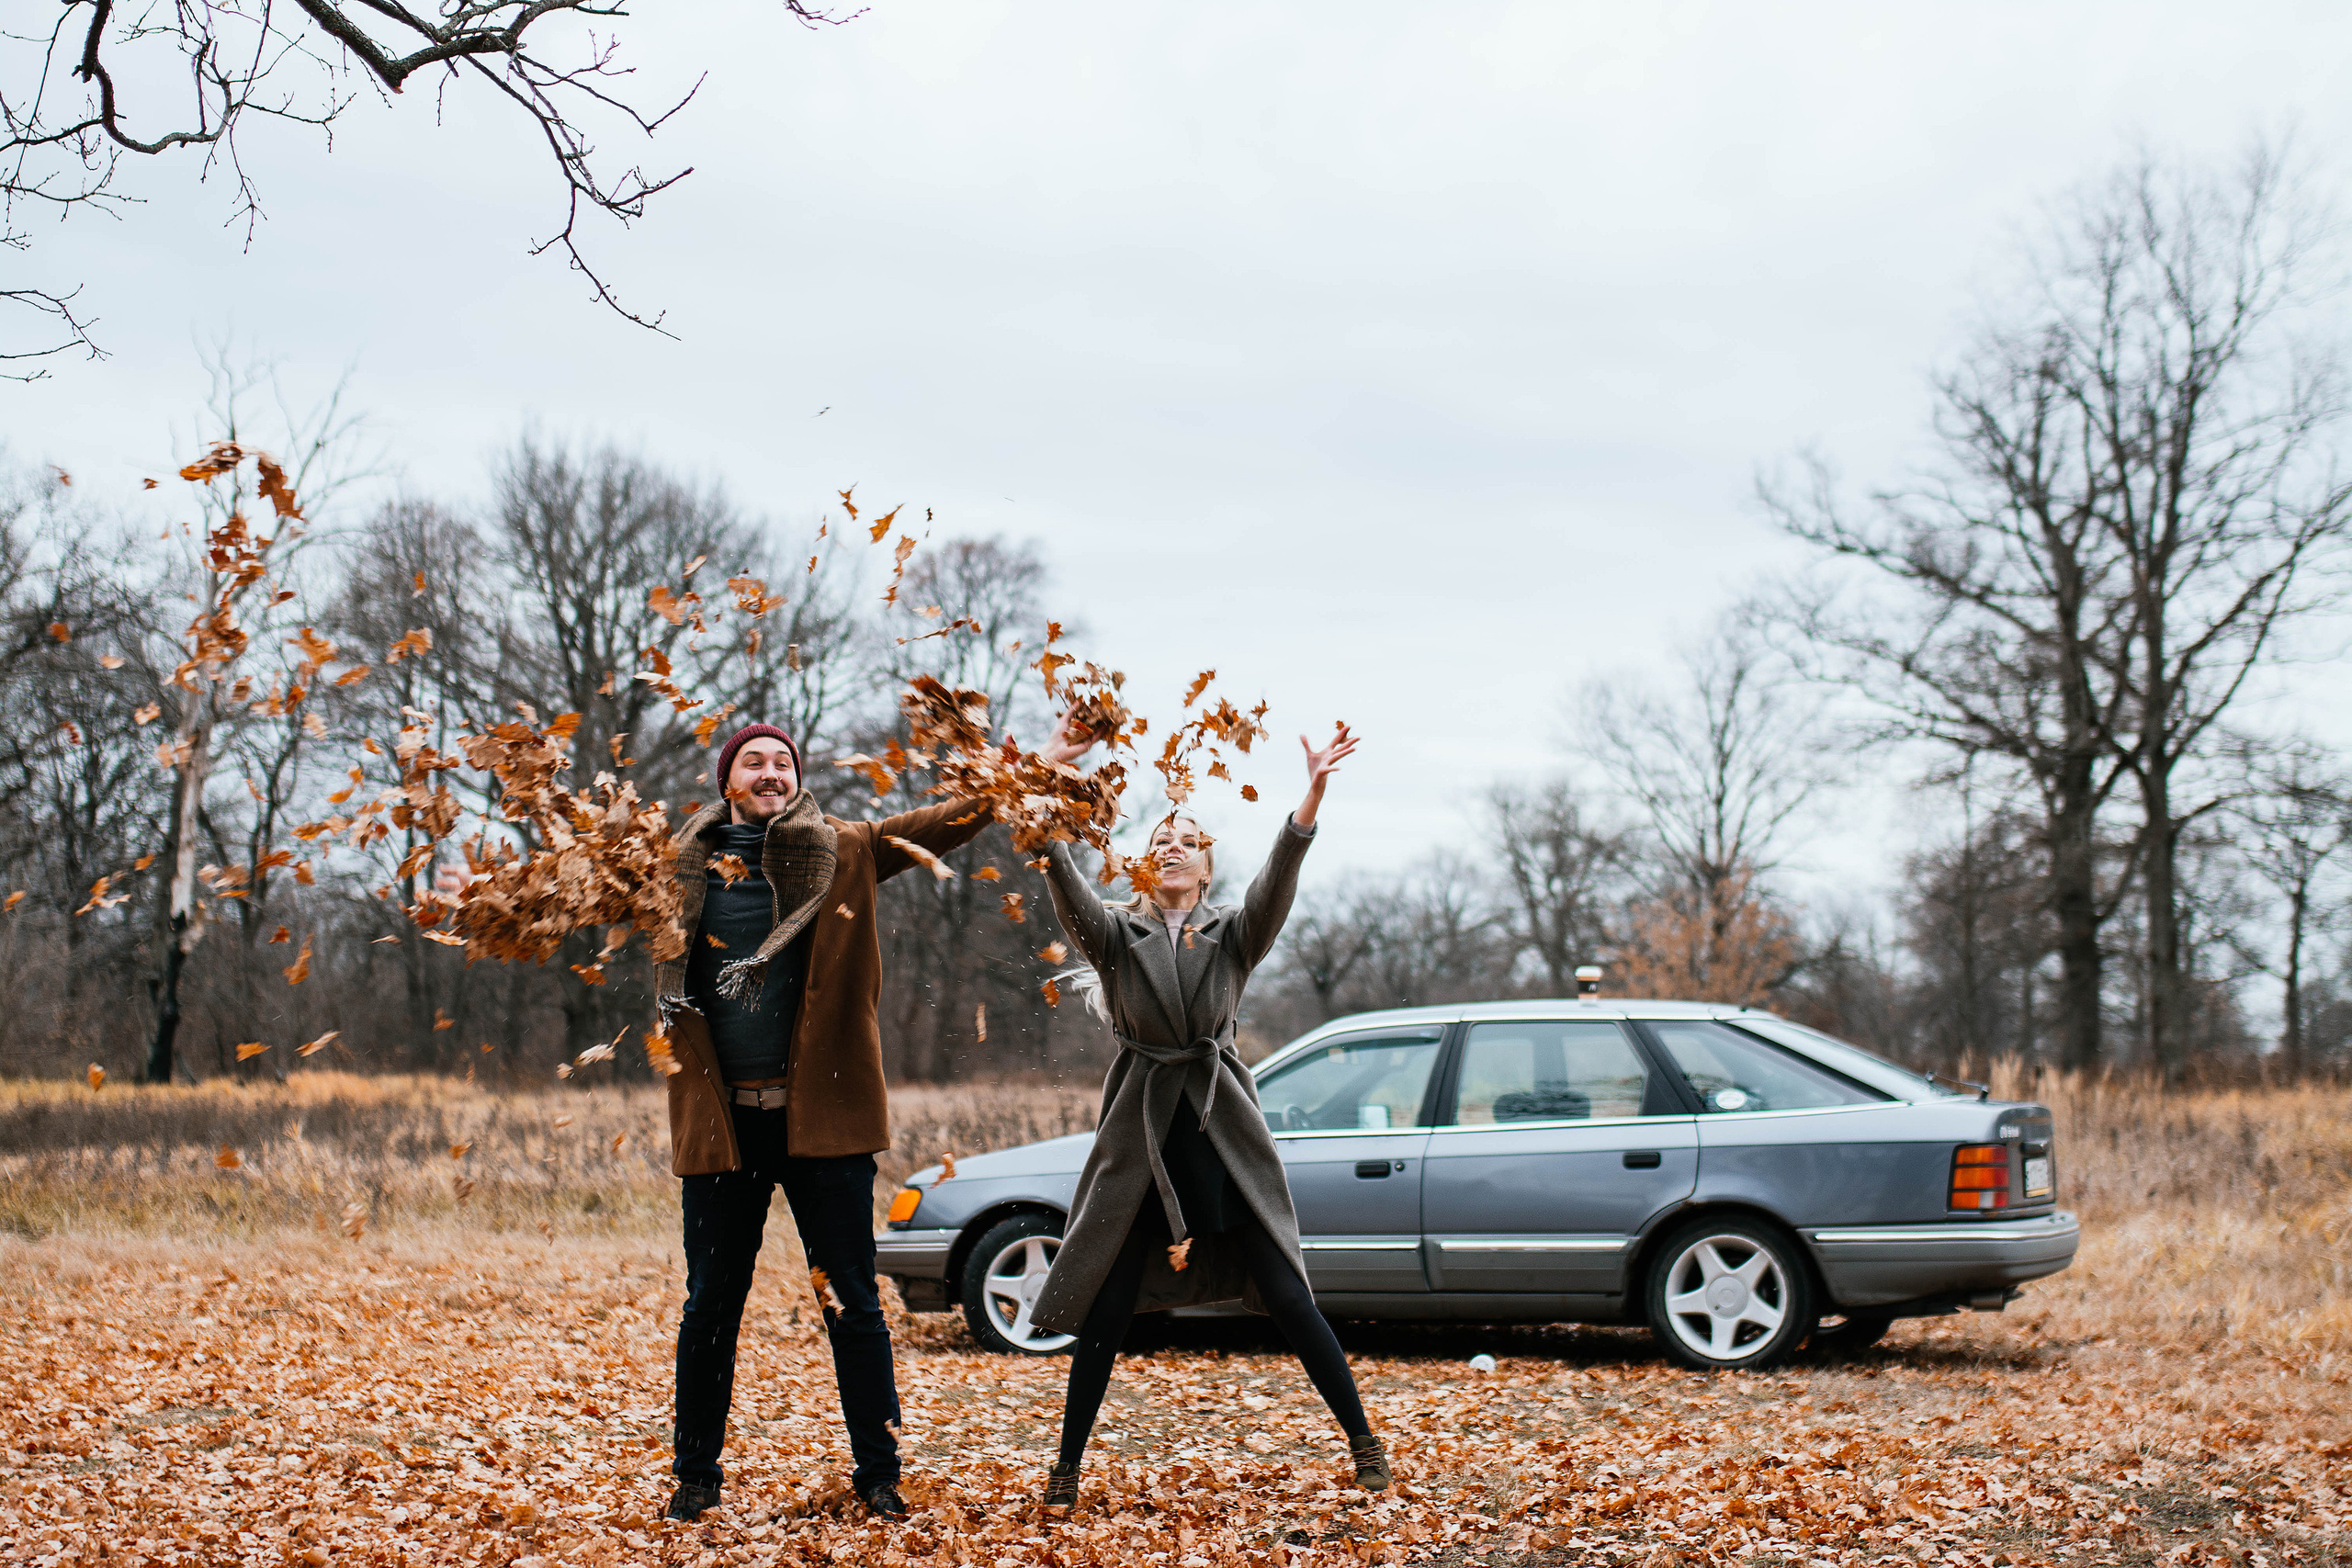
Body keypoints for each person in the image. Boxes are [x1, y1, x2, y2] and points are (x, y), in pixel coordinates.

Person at [1026, 716, 1386, 1507]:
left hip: (1221, 1131)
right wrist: (1046, 776)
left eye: (1189, 836)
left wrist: (1312, 792)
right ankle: (1065, 1470)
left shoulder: (1234, 935)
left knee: (1290, 1295)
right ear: (1146, 859)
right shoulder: (1117, 935)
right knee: (1109, 1308)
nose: (1172, 844)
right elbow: (1058, 874)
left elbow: (1277, 881)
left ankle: (1364, 1443)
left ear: (1207, 862)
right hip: (1143, 1130)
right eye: (1162, 836)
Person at [656, 723, 995, 1524]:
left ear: (796, 777)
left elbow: (944, 822)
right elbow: (571, 901)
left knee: (854, 1305)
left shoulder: (848, 848)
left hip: (826, 1125)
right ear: (726, 779)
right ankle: (696, 1478)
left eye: (783, 762)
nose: (771, 773)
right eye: (754, 762)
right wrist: (478, 893)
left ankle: (880, 1479)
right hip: (722, 1127)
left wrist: (1037, 765)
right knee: (710, 1306)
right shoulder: (675, 867)